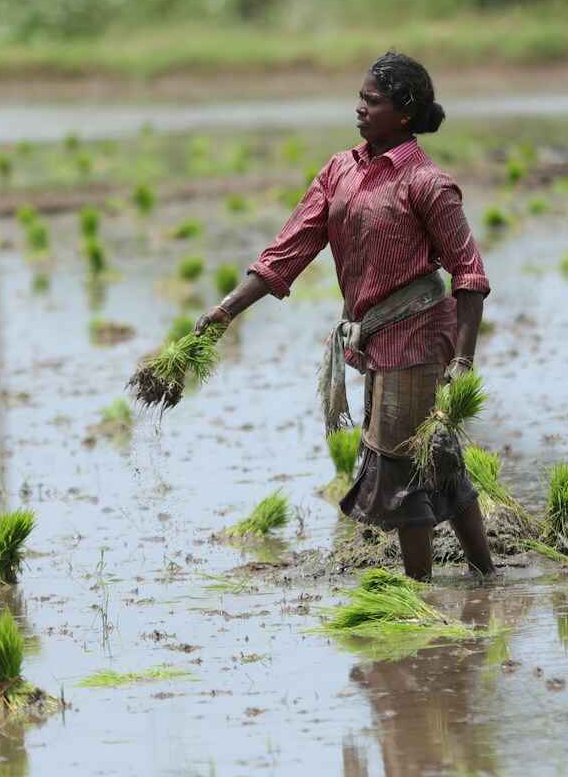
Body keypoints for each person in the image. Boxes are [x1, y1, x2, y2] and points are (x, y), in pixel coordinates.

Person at [198, 51, 495, 580]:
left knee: (402, 467)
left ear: (404, 115)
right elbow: (287, 252)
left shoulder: (427, 183)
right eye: (360, 98)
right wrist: (225, 312)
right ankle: (486, 577)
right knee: (439, 464)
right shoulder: (340, 171)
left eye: (372, 101)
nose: (360, 109)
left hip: (420, 336)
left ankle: (416, 597)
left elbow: (468, 275)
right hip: (376, 338)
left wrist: (464, 361)